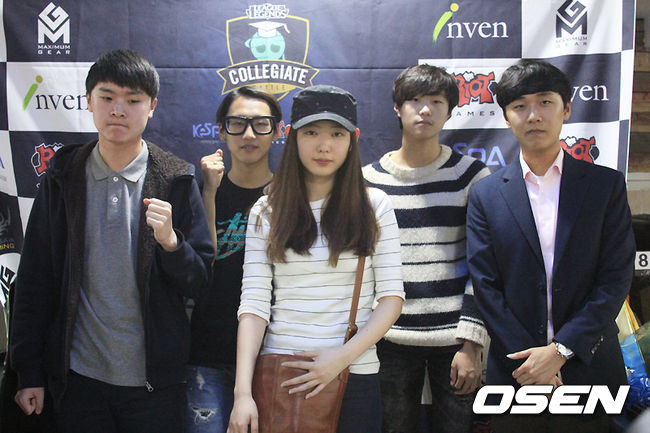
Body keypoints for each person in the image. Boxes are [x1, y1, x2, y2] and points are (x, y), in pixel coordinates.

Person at [9, 49, 214, 433]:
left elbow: (200, 282)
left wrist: (172, 244)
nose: (118, 110)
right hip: (78, 379)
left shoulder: (176, 180)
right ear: (89, 101)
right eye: (107, 97)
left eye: (133, 101)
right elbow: (35, 278)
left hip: (154, 384)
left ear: (152, 107)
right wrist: (28, 371)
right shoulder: (63, 176)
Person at [466, 59, 636, 433]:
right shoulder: (486, 195)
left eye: (545, 102)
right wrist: (534, 364)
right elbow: (486, 287)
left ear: (566, 109)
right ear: (506, 117)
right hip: (516, 372)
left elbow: (615, 278)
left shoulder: (605, 186)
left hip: (590, 367)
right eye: (520, 106)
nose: (534, 116)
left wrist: (560, 351)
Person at [227, 84, 405, 433]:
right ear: (291, 136)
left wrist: (339, 359)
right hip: (283, 371)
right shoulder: (266, 210)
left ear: (353, 139)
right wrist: (242, 393)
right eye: (311, 132)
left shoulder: (375, 206)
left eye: (337, 134)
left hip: (354, 372)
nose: (324, 145)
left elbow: (391, 299)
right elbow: (254, 304)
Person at [363, 64, 491, 433]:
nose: (424, 110)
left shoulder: (471, 176)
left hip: (454, 338)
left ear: (449, 110)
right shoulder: (368, 180)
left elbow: (484, 266)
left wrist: (472, 342)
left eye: (436, 101)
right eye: (415, 100)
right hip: (386, 336)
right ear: (397, 108)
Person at [187, 86, 281, 433]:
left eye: (261, 124)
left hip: (274, 355)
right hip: (208, 353)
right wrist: (210, 192)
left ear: (277, 131)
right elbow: (201, 265)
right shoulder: (201, 191)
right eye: (238, 124)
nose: (249, 135)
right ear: (222, 131)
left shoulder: (290, 196)